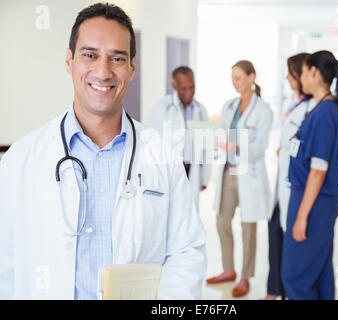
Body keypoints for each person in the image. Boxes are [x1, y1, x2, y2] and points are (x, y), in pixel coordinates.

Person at [0, 3, 206, 300]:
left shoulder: (161, 153)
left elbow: (187, 251)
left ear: (132, 68)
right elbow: (5, 262)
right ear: (69, 60)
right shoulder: (22, 158)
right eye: (90, 55)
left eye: (117, 58)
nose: (103, 71)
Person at [281, 50, 338, 300]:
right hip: (316, 200)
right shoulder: (323, 109)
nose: (299, 77)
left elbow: (318, 172)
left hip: (313, 202)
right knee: (318, 271)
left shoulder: (324, 114)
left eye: (303, 71)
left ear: (313, 72)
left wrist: (301, 217)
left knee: (295, 275)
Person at [207, 60, 273, 297]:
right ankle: (228, 269)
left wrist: (239, 146)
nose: (234, 82)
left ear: (251, 77)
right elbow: (222, 133)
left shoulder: (263, 110)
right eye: (232, 77)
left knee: (248, 226)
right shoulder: (229, 106)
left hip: (249, 172)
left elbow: (261, 146)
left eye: (239, 77)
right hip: (229, 171)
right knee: (222, 222)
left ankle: (245, 276)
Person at [264, 53, 314, 300]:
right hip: (283, 188)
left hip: (294, 188)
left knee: (285, 240)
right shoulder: (297, 106)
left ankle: (280, 291)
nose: (286, 77)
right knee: (275, 233)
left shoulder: (311, 110)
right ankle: (274, 290)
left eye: (290, 72)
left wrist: (288, 150)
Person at [148, 66, 211, 208]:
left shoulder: (201, 110)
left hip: (192, 170)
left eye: (192, 87)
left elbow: (206, 146)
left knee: (189, 213)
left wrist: (205, 177)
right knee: (169, 212)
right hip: (169, 170)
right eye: (183, 88)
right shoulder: (161, 108)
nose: (188, 92)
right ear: (174, 85)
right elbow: (151, 144)